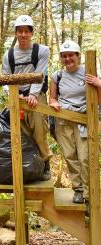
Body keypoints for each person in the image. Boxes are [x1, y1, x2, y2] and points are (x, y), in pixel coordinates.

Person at [2, 15, 52, 180]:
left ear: (31, 33)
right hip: (17, 97)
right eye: (20, 31)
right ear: (15, 33)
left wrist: (32, 95)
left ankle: (45, 163)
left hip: (37, 96)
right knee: (21, 134)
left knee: (39, 130)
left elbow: (41, 74)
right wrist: (14, 95)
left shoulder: (42, 51)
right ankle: (30, 167)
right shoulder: (8, 55)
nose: (23, 35)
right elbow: (5, 78)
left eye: (26, 31)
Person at [49, 40, 93, 215]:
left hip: (83, 120)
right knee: (70, 156)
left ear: (78, 56)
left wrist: (98, 82)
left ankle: (91, 196)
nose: (68, 59)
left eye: (71, 55)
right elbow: (52, 98)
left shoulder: (88, 73)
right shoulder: (57, 76)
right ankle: (79, 190)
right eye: (64, 56)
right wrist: (53, 103)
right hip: (63, 121)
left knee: (85, 158)